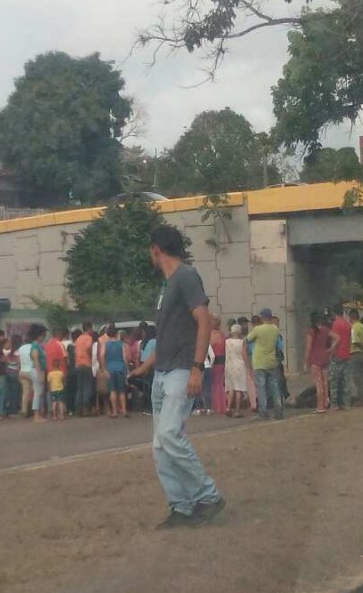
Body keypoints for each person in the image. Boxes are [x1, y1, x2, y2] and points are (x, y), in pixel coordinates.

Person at [129, 224, 225, 529]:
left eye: (150, 250)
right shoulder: (167, 285)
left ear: (156, 248)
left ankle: (207, 496)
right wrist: (145, 366)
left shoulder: (185, 276)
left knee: (170, 434)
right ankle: (181, 506)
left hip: (182, 370)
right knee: (160, 445)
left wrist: (197, 367)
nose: (150, 255)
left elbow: (204, 321)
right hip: (162, 372)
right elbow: (169, 335)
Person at [246, 309, 284, 420]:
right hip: (272, 361)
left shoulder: (257, 329)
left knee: (261, 388)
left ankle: (263, 411)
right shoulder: (275, 329)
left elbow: (248, 339)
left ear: (262, 317)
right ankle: (278, 411)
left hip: (259, 362)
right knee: (275, 387)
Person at [304, 312, 331, 413]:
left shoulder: (311, 331)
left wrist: (306, 361)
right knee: (325, 382)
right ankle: (326, 402)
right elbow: (336, 337)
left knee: (318, 383)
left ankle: (320, 405)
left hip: (315, 359)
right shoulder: (325, 329)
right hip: (325, 357)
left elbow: (308, 347)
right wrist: (331, 349)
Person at [328, 304, 352, 410]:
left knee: (334, 380)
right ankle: (346, 403)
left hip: (337, 355)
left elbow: (335, 340)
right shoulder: (347, 324)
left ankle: (334, 404)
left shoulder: (335, 324)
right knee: (345, 380)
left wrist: (331, 351)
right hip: (346, 354)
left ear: (333, 312)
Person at [101, 324, 129, 418]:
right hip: (120, 368)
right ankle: (124, 410)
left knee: (112, 390)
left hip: (110, 369)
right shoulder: (121, 344)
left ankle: (114, 411)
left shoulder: (105, 344)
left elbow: (101, 356)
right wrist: (127, 370)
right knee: (121, 391)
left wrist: (104, 369)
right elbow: (125, 358)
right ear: (117, 334)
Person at [224, 324, 249, 418]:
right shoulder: (242, 342)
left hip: (229, 366)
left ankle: (228, 408)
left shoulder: (227, 341)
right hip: (240, 365)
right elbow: (244, 354)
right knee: (239, 389)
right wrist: (248, 366)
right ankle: (237, 411)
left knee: (231, 388)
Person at [348, 310, 363, 406]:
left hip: (356, 353)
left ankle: (361, 399)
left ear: (351, 317)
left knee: (358, 378)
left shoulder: (354, 327)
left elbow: (355, 341)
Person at [74, 322, 94, 417]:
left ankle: (79, 409)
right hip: (86, 364)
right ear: (89, 328)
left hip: (78, 364)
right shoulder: (88, 338)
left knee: (80, 388)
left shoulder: (78, 338)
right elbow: (88, 348)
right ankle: (86, 409)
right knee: (87, 388)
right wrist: (90, 357)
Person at [209, 316, 227, 415]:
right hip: (222, 360)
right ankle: (222, 406)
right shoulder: (222, 335)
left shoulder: (210, 335)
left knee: (213, 384)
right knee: (220, 384)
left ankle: (215, 406)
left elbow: (208, 348)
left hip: (213, 361)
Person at [30, 325, 48, 422]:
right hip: (37, 370)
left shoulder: (38, 345)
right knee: (37, 392)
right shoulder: (35, 345)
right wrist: (40, 372)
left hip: (39, 370)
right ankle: (36, 415)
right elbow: (36, 359)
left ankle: (38, 414)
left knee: (39, 392)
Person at [17, 328, 36, 416]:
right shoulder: (33, 348)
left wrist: (19, 371)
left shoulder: (20, 349)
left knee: (25, 392)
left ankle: (24, 410)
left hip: (22, 371)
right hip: (31, 371)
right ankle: (32, 409)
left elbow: (18, 361)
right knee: (33, 392)